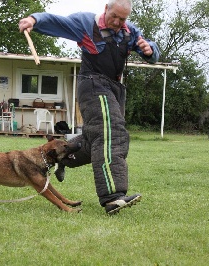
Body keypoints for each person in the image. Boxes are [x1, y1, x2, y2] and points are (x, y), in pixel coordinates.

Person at [19, 0, 160, 215]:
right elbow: (57, 22)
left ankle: (63, 157)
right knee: (110, 134)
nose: (118, 22)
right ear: (106, 9)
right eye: (115, 17)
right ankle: (113, 197)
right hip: (93, 84)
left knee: (95, 138)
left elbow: (152, 53)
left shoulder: (128, 32)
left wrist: (149, 50)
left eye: (123, 19)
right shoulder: (86, 23)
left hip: (115, 88)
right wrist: (34, 20)